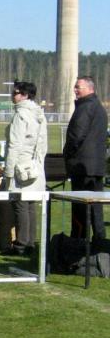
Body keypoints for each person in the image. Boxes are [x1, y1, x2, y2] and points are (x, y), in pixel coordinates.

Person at [2, 81, 47, 256]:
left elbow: (15, 145)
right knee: (30, 205)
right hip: (34, 164)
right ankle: (29, 243)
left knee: (20, 204)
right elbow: (43, 144)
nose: (13, 96)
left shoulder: (21, 115)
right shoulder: (39, 114)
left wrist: (8, 171)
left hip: (21, 163)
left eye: (16, 93)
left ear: (25, 95)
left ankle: (20, 245)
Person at [63, 76, 108, 244]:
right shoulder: (98, 107)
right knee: (96, 208)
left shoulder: (85, 107)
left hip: (82, 166)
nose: (75, 90)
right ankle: (99, 242)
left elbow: (76, 136)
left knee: (80, 208)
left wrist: (67, 154)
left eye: (78, 87)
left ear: (90, 88)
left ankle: (79, 242)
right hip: (96, 166)